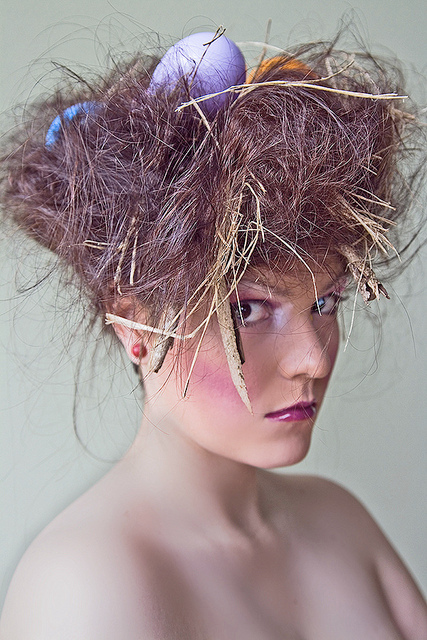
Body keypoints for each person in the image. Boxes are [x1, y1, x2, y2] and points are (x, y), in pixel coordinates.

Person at [0, 28, 426, 640]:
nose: (312, 360)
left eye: (326, 302)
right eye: (248, 311)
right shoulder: (84, 587)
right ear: (136, 323)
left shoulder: (342, 523)